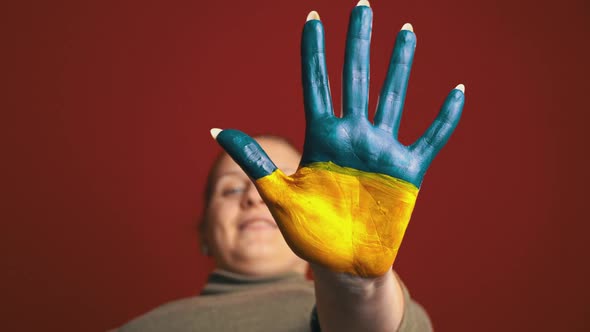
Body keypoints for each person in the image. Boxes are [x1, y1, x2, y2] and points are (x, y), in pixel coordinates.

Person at [118, 0, 464, 331]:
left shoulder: (374, 314)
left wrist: (356, 285)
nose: (255, 199)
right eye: (231, 189)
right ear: (204, 233)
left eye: (287, 184)